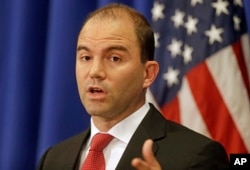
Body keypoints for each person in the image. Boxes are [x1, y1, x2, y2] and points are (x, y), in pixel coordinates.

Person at [37, 3, 229, 170]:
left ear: (148, 74)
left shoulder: (197, 155)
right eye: (85, 58)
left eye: (114, 58)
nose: (95, 71)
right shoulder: (53, 159)